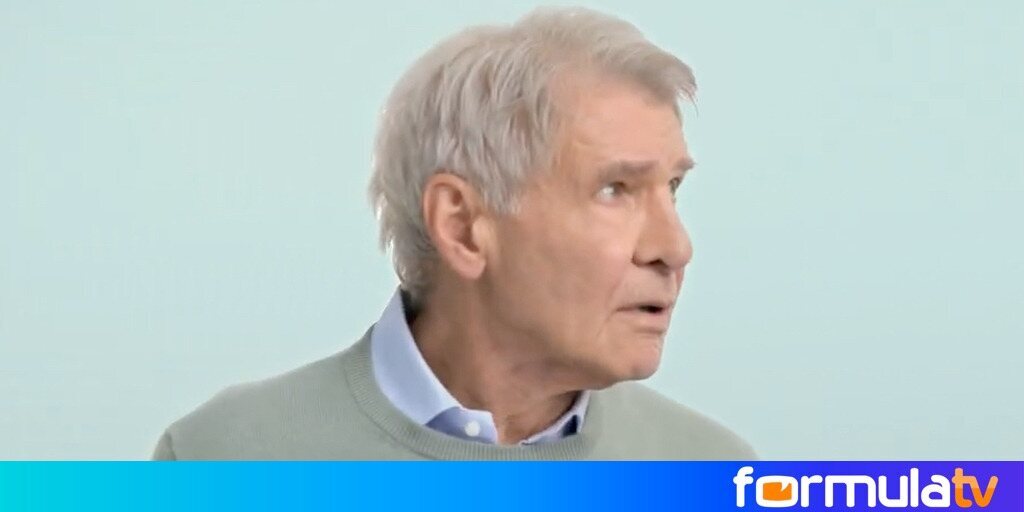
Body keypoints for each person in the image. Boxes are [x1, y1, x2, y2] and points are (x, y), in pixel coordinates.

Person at [152, 6, 756, 460]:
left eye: (672, 188)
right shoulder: (222, 459)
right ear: (462, 226)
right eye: (614, 190)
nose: (675, 248)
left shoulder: (713, 472)